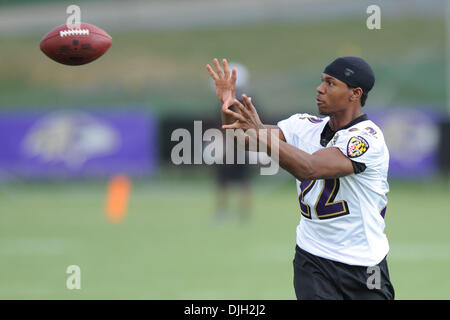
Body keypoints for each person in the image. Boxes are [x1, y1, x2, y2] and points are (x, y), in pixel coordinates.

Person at [206, 57, 395, 300]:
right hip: (312, 259)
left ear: (355, 94)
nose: (320, 88)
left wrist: (262, 133)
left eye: (330, 83)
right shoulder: (303, 125)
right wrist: (228, 104)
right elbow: (243, 139)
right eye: (321, 81)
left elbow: (309, 168)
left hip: (364, 265)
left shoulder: (368, 138)